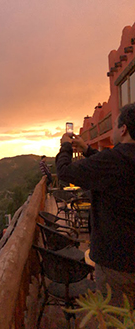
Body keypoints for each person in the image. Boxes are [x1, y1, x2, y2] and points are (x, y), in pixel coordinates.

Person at [56, 103, 135, 306]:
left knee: (117, 325)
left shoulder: (114, 159)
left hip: (117, 263)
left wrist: (65, 146)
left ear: (123, 129)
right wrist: (87, 150)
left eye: (116, 125)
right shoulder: (115, 161)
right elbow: (110, 170)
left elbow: (64, 172)